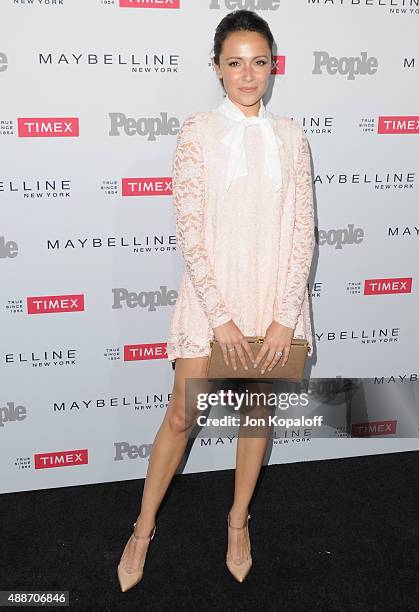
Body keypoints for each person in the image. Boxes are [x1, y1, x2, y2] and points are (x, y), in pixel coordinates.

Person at [117, 9, 315, 591]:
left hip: (274, 303)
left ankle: (237, 522)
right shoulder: (197, 131)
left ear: (272, 67)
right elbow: (190, 229)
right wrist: (221, 317)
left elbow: (303, 229)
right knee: (182, 415)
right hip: (211, 303)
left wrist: (284, 317)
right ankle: (142, 527)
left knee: (256, 415)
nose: (247, 75)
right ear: (217, 69)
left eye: (259, 63)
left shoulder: (292, 135)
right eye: (235, 63)